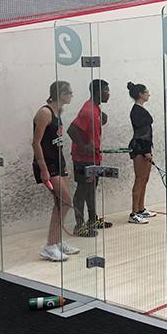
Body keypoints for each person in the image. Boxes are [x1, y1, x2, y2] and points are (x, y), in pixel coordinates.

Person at [32, 81, 79, 261]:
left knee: (61, 203)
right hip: (48, 165)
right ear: (61, 94)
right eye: (70, 92)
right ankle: (49, 246)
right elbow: (36, 143)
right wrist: (43, 170)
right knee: (65, 201)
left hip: (59, 163)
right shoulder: (45, 113)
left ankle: (56, 242)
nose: (72, 95)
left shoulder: (58, 113)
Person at [67, 79, 111, 237]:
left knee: (92, 189)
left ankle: (92, 221)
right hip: (82, 159)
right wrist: (84, 147)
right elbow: (71, 130)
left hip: (93, 159)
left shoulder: (95, 109)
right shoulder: (88, 110)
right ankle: (79, 226)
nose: (109, 94)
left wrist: (101, 117)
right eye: (106, 91)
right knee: (82, 190)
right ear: (98, 92)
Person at [127, 82, 157, 224]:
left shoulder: (140, 110)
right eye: (146, 92)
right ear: (140, 94)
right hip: (140, 149)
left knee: (145, 179)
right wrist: (146, 151)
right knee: (139, 179)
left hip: (145, 149)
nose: (148, 94)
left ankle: (141, 209)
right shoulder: (136, 111)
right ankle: (133, 213)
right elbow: (141, 134)